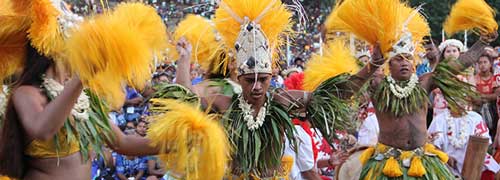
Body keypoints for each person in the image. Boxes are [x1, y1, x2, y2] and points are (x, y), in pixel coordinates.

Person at [174, 0, 383, 178]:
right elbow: (186, 100)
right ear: (238, 76)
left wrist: (371, 67)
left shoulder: (282, 100)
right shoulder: (223, 103)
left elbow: (337, 94)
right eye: (249, 80)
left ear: (272, 76)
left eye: (263, 79)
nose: (256, 87)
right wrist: (184, 61)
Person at [327, 0, 498, 178]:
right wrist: (372, 64)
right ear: (389, 64)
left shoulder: (425, 82)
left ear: (414, 62)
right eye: (398, 59)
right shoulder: (377, 84)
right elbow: (344, 93)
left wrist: (483, 42)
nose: (404, 63)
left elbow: (460, 64)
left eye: (408, 58)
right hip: (386, 162)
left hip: (422, 160)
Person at [428, 107, 500, 178]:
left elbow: (485, 141)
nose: (460, 103)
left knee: (493, 171)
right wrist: (446, 158)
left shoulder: (475, 117)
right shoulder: (439, 119)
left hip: (474, 163)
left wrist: (478, 142)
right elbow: (432, 147)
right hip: (448, 164)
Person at [470, 53, 500, 138]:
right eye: (480, 63)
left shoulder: (495, 78)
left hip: (494, 110)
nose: (482, 65)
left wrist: (483, 96)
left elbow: (497, 95)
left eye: (485, 62)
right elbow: (474, 97)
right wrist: (489, 97)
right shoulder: (474, 79)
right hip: (478, 109)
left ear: (490, 64)